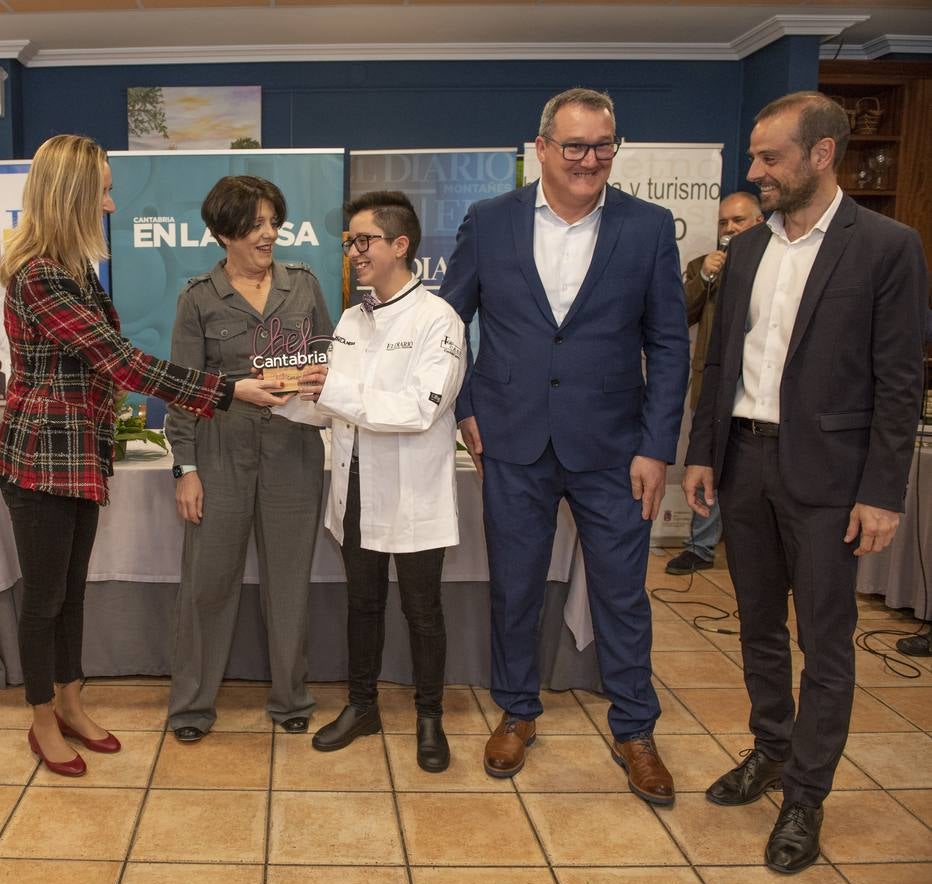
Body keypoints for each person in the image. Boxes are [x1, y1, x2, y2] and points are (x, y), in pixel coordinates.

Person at [0, 135, 291, 777]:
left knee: (71, 593)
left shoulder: (74, 270)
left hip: (79, 456)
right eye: (102, 187)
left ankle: (71, 703)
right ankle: (42, 718)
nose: (110, 199)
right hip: (42, 458)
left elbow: (106, 362)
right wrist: (226, 388)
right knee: (44, 600)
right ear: (72, 194)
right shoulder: (42, 274)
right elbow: (118, 361)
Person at [683, 92, 927, 874]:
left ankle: (806, 796)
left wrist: (884, 491)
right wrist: (702, 454)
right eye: (753, 157)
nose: (755, 172)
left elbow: (897, 381)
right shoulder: (750, 249)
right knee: (756, 625)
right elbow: (721, 362)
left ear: (822, 155)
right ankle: (771, 749)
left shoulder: (887, 246)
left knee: (825, 642)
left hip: (829, 478)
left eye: (769, 158)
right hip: (745, 461)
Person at [441, 88, 689, 805]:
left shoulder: (646, 229)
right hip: (511, 440)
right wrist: (463, 408)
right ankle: (517, 713)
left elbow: (668, 344)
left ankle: (636, 729)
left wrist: (657, 446)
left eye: (603, 146)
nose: (590, 160)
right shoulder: (490, 223)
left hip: (616, 448)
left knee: (622, 596)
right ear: (542, 148)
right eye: (575, 146)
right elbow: (446, 326)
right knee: (515, 590)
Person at [163, 175, 331, 744]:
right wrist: (185, 469)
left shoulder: (304, 286)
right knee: (207, 586)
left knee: (290, 584)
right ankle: (191, 708)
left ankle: (291, 698)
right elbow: (182, 390)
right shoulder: (198, 299)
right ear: (221, 233)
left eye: (272, 222)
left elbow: (332, 359)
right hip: (220, 453)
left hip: (293, 454)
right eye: (254, 225)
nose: (268, 234)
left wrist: (321, 379)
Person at [304, 191, 466, 772]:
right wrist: (287, 395)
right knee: (362, 605)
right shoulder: (353, 317)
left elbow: (418, 408)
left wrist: (328, 392)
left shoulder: (438, 320)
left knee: (423, 610)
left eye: (363, 240)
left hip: (412, 495)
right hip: (353, 488)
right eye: (348, 241)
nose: (352, 251)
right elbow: (335, 408)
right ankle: (362, 706)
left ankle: (429, 718)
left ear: (401, 246)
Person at [665, 192, 764, 575]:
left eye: (738, 220)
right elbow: (678, 316)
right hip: (713, 387)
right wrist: (706, 275)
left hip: (763, 389)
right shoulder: (702, 266)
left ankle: (759, 551)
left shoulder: (775, 265)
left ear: (759, 222)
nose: (730, 229)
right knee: (705, 462)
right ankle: (701, 546)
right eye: (724, 222)